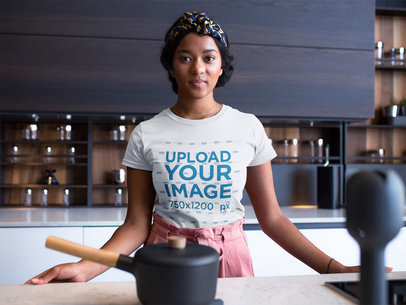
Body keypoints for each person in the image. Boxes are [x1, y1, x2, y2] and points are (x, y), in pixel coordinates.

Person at [26, 11, 360, 284]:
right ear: (171, 66)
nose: (197, 68)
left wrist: (333, 268)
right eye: (185, 58)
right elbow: (136, 225)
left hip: (230, 259)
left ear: (221, 67)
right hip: (165, 259)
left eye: (208, 58)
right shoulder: (146, 133)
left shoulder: (247, 128)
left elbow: (272, 219)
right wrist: (86, 268)